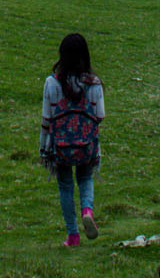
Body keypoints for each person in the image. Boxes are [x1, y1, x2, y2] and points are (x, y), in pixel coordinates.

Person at [40, 32, 105, 247]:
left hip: (59, 147)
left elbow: (47, 119)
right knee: (86, 179)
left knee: (65, 186)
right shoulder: (93, 83)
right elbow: (100, 116)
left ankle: (73, 235)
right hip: (87, 146)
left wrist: (44, 149)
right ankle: (87, 210)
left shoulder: (52, 83)